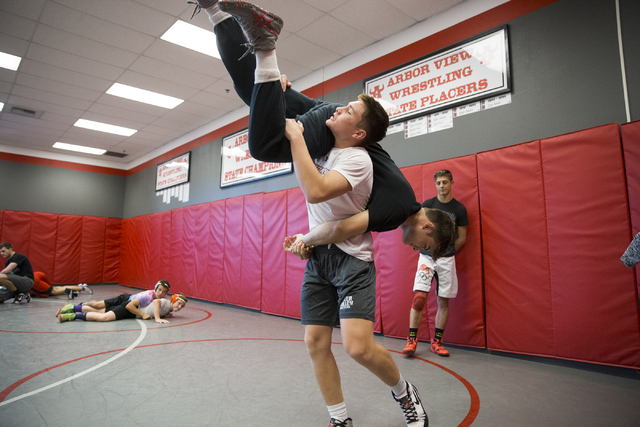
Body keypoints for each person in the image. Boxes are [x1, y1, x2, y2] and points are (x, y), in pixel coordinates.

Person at [198, 2, 431, 425]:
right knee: (316, 343)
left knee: (359, 348)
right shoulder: (330, 128)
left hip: (349, 262)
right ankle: (339, 418)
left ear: (359, 132)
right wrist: (309, 241)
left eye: (350, 109)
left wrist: (293, 131)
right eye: (343, 106)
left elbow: (319, 190)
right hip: (320, 261)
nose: (341, 106)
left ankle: (405, 393)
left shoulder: (359, 160)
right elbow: (324, 196)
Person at [191, 0, 455, 262]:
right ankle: (265, 43)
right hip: (336, 131)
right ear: (428, 228)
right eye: (426, 247)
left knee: (255, 91)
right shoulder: (397, 211)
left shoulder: (401, 198)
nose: (417, 249)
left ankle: (214, 9)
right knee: (264, 146)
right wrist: (305, 240)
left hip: (331, 117)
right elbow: (341, 229)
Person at [402, 170, 468, 357]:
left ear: (451, 183)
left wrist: (444, 250)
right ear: (435, 184)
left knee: (443, 300)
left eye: (445, 182)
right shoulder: (428, 206)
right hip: (426, 258)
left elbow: (462, 238)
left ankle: (437, 342)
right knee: (419, 299)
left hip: (447, 259)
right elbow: (417, 230)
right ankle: (412, 340)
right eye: (438, 182)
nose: (442, 186)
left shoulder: (459, 209)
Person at [57, 292, 187, 323]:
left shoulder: (168, 308)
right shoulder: (164, 302)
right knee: (104, 317)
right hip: (129, 308)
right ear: (173, 300)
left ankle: (72, 307)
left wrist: (165, 314)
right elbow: (157, 302)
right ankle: (73, 316)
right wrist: (158, 318)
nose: (180, 307)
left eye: (182, 306)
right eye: (179, 303)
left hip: (130, 312)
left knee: (100, 310)